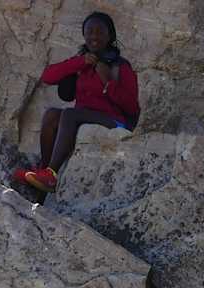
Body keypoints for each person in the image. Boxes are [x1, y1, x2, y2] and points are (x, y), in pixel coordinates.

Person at [14, 12, 140, 193]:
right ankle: (43, 171)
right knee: (52, 114)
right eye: (89, 31)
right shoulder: (82, 61)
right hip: (82, 116)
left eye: (99, 32)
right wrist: (80, 62)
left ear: (109, 36)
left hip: (115, 122)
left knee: (71, 113)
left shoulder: (121, 66)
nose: (94, 36)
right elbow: (48, 76)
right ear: (84, 35)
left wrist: (108, 83)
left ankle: (51, 173)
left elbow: (132, 107)